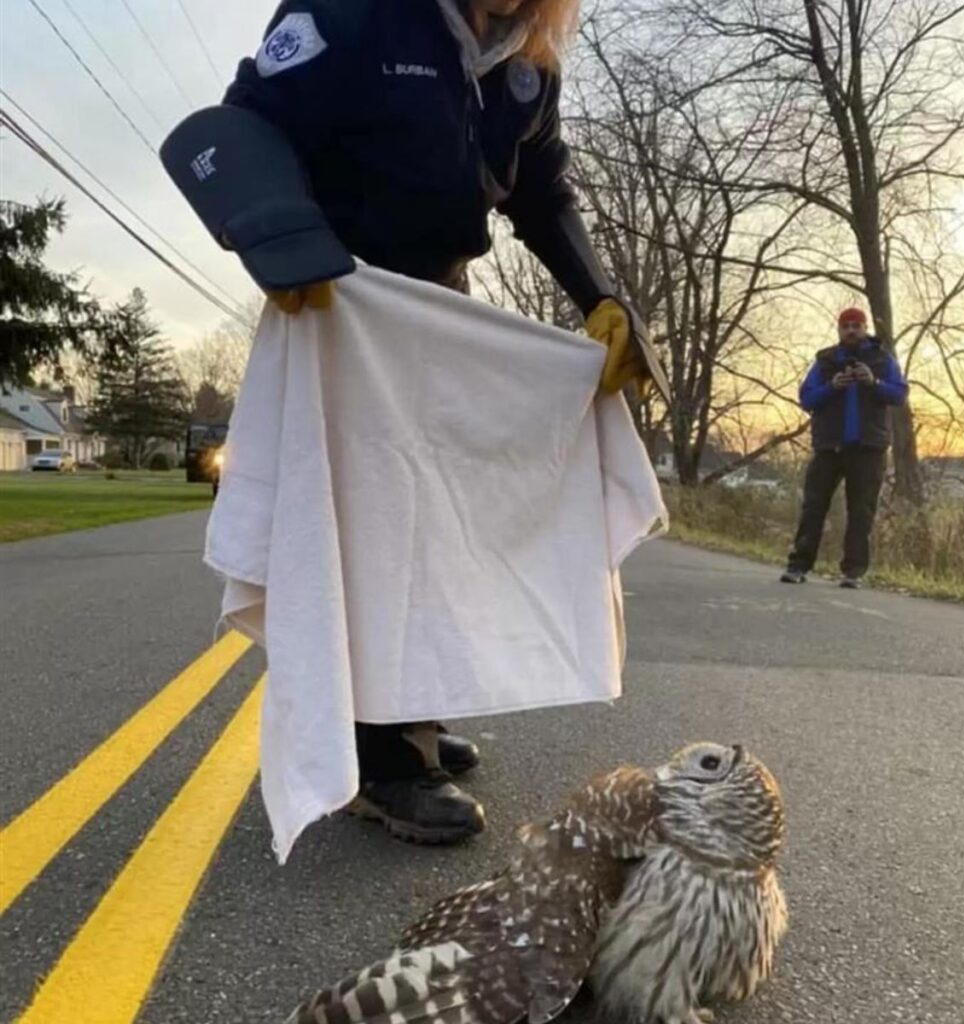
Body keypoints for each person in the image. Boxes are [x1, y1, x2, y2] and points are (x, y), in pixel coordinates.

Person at [161, 0, 667, 846]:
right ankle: (377, 755)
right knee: (372, 533)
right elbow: (249, 122)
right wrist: (274, 233)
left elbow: (543, 194)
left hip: (438, 314)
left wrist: (602, 297)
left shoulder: (527, 63)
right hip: (339, 303)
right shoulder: (353, 13)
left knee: (438, 533)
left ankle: (406, 713)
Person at [780, 308, 908, 589]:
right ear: (839, 330)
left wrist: (873, 382)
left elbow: (899, 393)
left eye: (856, 326)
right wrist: (832, 386)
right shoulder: (825, 361)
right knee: (813, 506)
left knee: (861, 511)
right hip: (829, 447)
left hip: (868, 448)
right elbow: (807, 398)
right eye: (846, 326)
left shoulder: (882, 359)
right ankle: (798, 565)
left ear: (865, 329)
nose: (851, 331)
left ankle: (853, 572)